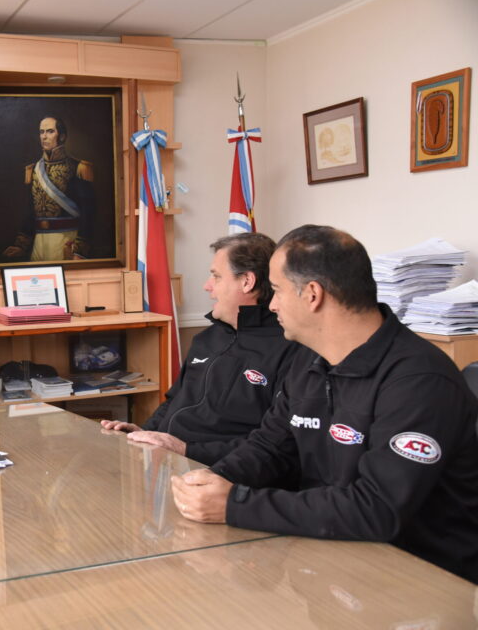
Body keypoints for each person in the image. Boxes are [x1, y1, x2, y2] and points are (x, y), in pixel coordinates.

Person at [171, 225, 478, 583]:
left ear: (312, 294)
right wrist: (215, 479)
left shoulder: (419, 381)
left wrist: (234, 503)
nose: (270, 304)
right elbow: (270, 447)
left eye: (279, 291)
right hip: (328, 556)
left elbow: (376, 509)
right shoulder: (309, 360)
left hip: (421, 575)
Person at [101, 233, 300, 465]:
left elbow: (273, 445)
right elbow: (173, 402)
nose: (207, 286)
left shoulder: (289, 348)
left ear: (247, 281)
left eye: (216, 276)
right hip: (169, 461)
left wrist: (188, 450)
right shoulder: (206, 339)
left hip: (219, 472)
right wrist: (142, 432)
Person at [2, 116, 95, 262]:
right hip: (38, 243)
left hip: (66, 240)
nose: (44, 136)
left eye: (50, 131)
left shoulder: (78, 168)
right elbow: (29, 212)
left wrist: (79, 250)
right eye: (41, 132)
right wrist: (21, 246)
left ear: (62, 136)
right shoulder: (33, 170)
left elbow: (88, 212)